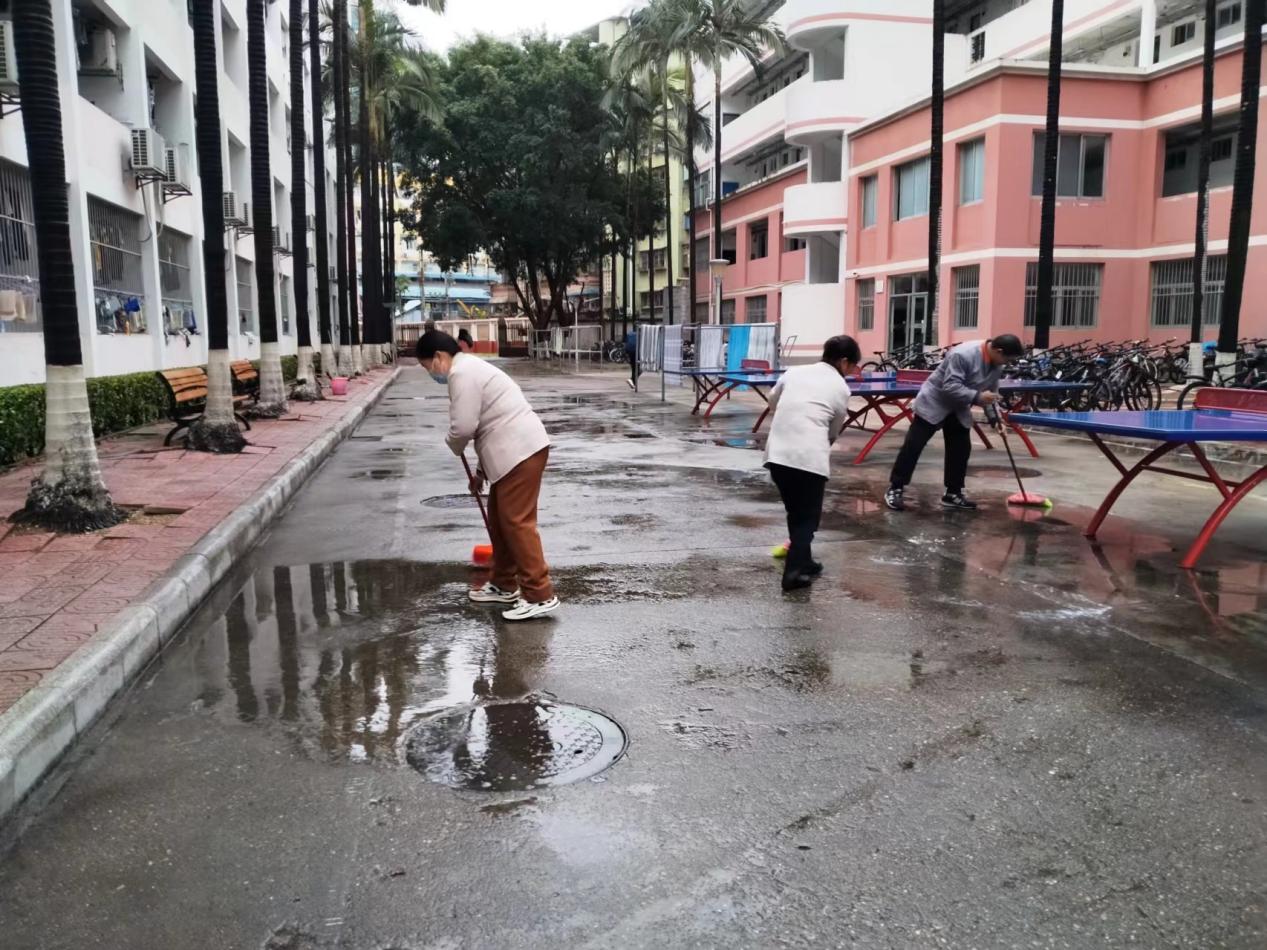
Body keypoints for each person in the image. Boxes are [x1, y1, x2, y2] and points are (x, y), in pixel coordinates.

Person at [416, 329, 560, 621]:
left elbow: (464, 427)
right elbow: (485, 425)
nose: (430, 373)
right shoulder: (469, 368)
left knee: (516, 522)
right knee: (499, 519)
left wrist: (453, 443)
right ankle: (504, 584)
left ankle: (540, 594)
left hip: (520, 450)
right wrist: (481, 473)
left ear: (438, 357)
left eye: (426, 366)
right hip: (512, 452)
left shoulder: (461, 373)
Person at [763, 335, 862, 592]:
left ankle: (804, 561)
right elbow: (835, 428)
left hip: (777, 455)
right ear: (844, 362)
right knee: (808, 518)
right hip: (809, 459)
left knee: (796, 512)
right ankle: (793, 573)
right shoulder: (840, 387)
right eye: (853, 366)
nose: (852, 371)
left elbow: (772, 401)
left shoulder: (794, 372)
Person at [884, 334, 1026, 512]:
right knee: (914, 445)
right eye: (1008, 359)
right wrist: (977, 397)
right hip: (934, 402)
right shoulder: (962, 355)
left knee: (961, 448)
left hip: (959, 406)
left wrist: (995, 419)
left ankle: (953, 493)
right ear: (999, 351)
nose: (1008, 364)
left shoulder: (997, 364)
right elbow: (950, 385)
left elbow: (991, 393)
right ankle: (895, 488)